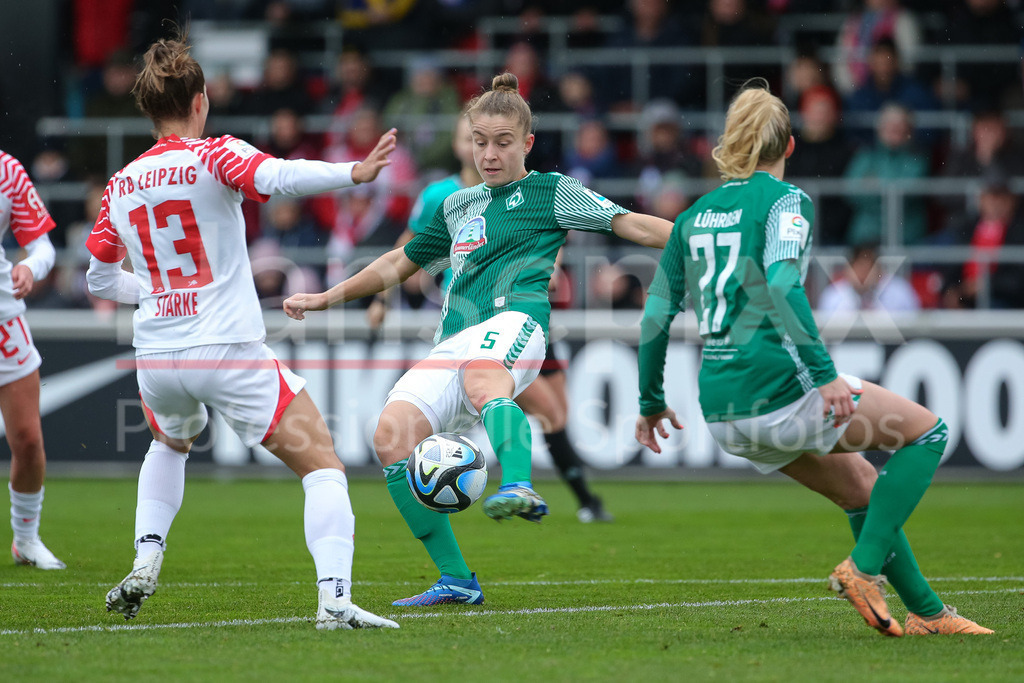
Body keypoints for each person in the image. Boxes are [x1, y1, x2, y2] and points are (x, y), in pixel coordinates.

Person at [284, 73, 671, 606]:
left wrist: (693, 241)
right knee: (390, 436)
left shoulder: (552, 191)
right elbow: (401, 260)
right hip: (454, 339)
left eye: (503, 142)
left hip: (516, 326)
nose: (489, 154)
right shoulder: (457, 204)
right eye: (479, 141)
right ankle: (457, 579)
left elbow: (629, 225)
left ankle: (516, 483)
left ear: (527, 143)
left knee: (485, 378)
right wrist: (326, 297)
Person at [635, 81, 993, 637]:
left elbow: (655, 314)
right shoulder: (785, 200)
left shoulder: (693, 215)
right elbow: (781, 282)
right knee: (928, 434)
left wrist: (650, 400)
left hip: (724, 412)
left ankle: (928, 614)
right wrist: (824, 376)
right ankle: (863, 568)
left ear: (731, 142)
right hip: (778, 390)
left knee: (859, 487)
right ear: (791, 146)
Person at [84, 33, 399, 631]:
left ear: (148, 110)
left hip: (156, 356)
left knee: (169, 443)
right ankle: (334, 599)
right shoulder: (213, 154)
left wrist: (153, 292)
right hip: (225, 346)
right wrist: (354, 173)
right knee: (324, 466)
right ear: (200, 101)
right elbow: (278, 176)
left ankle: (147, 558)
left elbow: (100, 279)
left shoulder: (120, 185)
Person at [367, 114, 614, 524]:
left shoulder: (528, 192)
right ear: (460, 145)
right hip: (468, 320)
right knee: (503, 398)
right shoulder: (443, 196)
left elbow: (548, 228)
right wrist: (382, 297)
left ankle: (562, 493)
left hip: (518, 313)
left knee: (553, 413)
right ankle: (549, 490)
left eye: (491, 141)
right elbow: (405, 250)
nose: (479, 149)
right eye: (472, 140)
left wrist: (551, 264)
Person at [0, 150, 65, 570]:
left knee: (27, 438)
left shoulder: (6, 169)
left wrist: (31, 267)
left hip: (3, 316)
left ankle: (25, 538)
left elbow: (43, 246)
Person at [818, 242, 920, 314]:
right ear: (848, 270)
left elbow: (913, 327)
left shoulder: (900, 291)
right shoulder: (832, 295)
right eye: (858, 268)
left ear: (879, 269)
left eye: (868, 269)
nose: (863, 275)